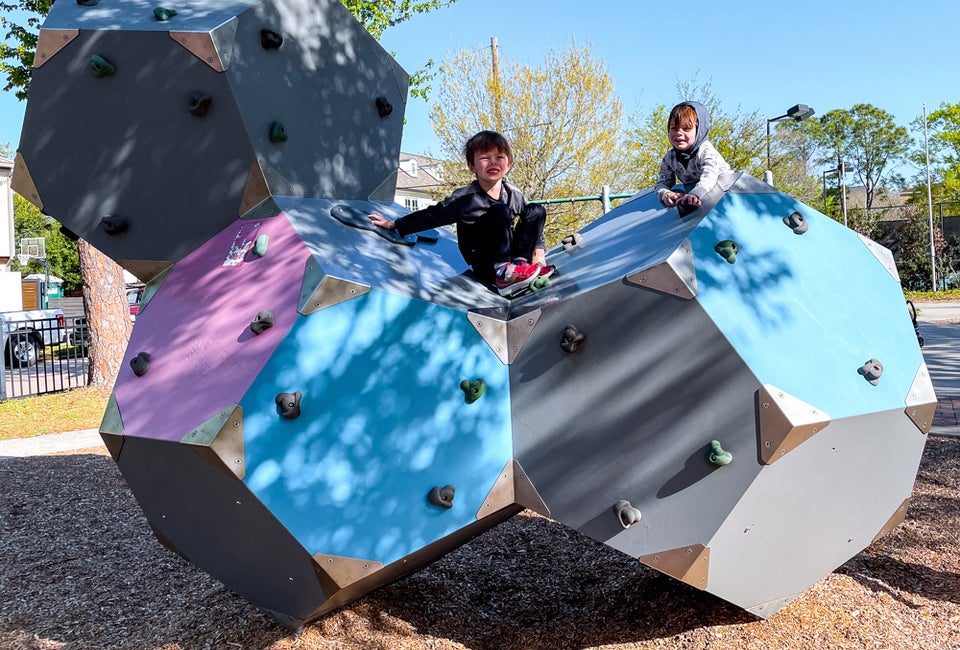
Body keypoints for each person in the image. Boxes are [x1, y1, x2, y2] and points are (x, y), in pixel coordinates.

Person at [368, 130, 552, 296]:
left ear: (508, 164)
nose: (493, 162)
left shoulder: (513, 194)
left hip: (511, 257)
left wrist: (539, 255)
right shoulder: (465, 198)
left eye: (499, 157)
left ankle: (520, 267)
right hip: (485, 262)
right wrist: (396, 224)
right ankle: (505, 274)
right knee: (500, 211)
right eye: (485, 158)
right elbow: (433, 215)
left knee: (536, 210)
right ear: (472, 166)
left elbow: (533, 225)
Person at [654, 101, 732, 210]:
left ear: (699, 131)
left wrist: (696, 193)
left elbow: (709, 177)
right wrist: (665, 193)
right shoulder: (670, 158)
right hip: (695, 194)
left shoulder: (706, 151)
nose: (679, 133)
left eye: (686, 128)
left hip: (724, 191)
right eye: (674, 128)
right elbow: (661, 183)